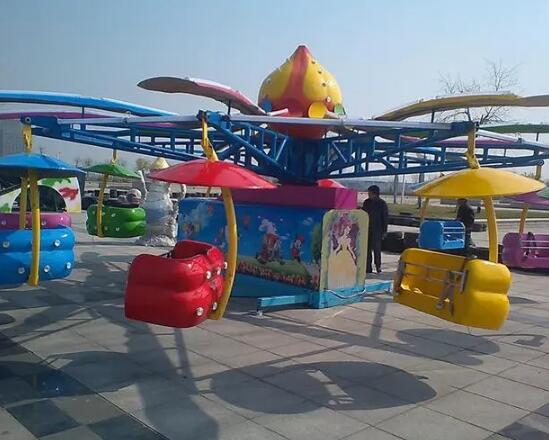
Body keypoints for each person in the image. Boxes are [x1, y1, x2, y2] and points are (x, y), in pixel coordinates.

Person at [362, 185, 388, 273]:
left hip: (377, 229)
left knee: (377, 249)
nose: (368, 194)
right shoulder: (366, 202)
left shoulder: (382, 204)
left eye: (370, 193)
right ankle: (368, 267)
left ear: (375, 193)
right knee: (367, 249)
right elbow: (363, 214)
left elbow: (385, 218)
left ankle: (378, 266)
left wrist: (384, 231)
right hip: (367, 229)